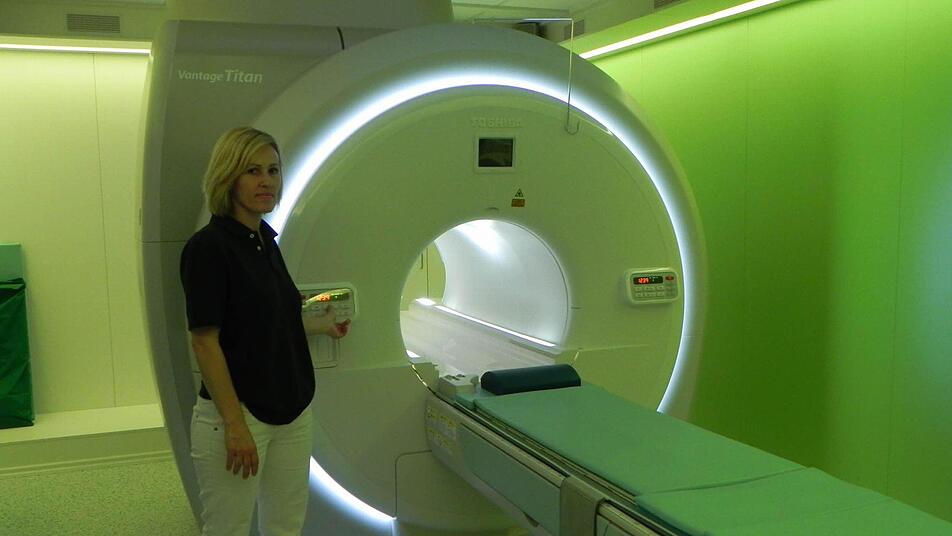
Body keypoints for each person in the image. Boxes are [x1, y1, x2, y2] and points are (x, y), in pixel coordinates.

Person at [180, 126, 350, 536]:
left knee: (285, 525)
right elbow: (204, 343)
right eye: (252, 171)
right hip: (238, 416)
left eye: (273, 170)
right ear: (228, 176)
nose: (266, 181)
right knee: (228, 528)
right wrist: (235, 426)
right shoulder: (209, 248)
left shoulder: (265, 241)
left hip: (292, 411)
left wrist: (321, 325)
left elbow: (266, 319)